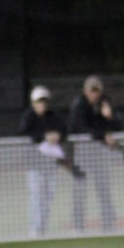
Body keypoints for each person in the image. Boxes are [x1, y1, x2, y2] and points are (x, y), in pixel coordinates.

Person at [67, 75, 122, 232]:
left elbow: (118, 124)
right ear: (85, 91)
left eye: (97, 91)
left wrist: (109, 116)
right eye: (92, 91)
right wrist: (102, 135)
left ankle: (108, 224)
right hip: (82, 153)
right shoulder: (79, 105)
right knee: (79, 191)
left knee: (103, 189)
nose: (95, 94)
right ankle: (78, 227)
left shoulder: (105, 103)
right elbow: (81, 128)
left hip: (99, 153)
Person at [17, 86, 72, 237]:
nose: (42, 104)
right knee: (36, 195)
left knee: (48, 195)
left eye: (44, 101)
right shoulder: (28, 116)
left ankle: (43, 228)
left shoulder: (53, 116)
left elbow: (64, 129)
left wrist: (57, 136)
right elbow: (23, 131)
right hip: (34, 163)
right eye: (39, 101)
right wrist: (44, 136)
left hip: (50, 164)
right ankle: (35, 228)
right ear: (33, 102)